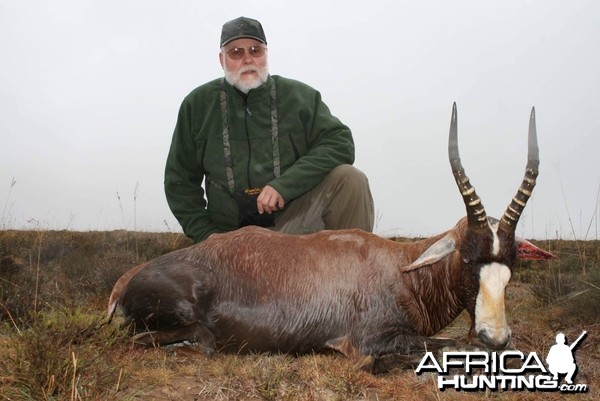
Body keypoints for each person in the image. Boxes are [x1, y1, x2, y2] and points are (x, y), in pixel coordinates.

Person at [165, 16, 374, 242]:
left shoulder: (300, 97)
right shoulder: (197, 105)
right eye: (236, 52)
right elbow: (179, 181)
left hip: (291, 226)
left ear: (266, 54)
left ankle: (354, 272)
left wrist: (284, 186)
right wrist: (206, 235)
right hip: (227, 238)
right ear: (221, 59)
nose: (248, 59)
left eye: (256, 50)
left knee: (350, 179)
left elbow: (339, 142)